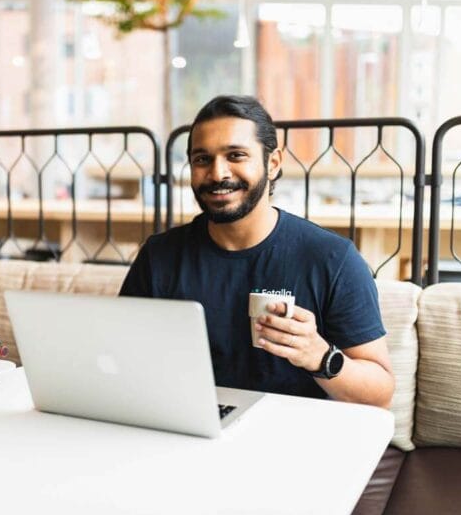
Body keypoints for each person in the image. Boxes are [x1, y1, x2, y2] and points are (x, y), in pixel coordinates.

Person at [120, 95, 394, 408]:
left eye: (235, 155)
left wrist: (319, 356)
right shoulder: (160, 256)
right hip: (190, 425)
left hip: (293, 436)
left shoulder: (332, 259)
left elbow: (380, 393)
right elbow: (123, 358)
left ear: (273, 163)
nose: (218, 173)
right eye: (202, 159)